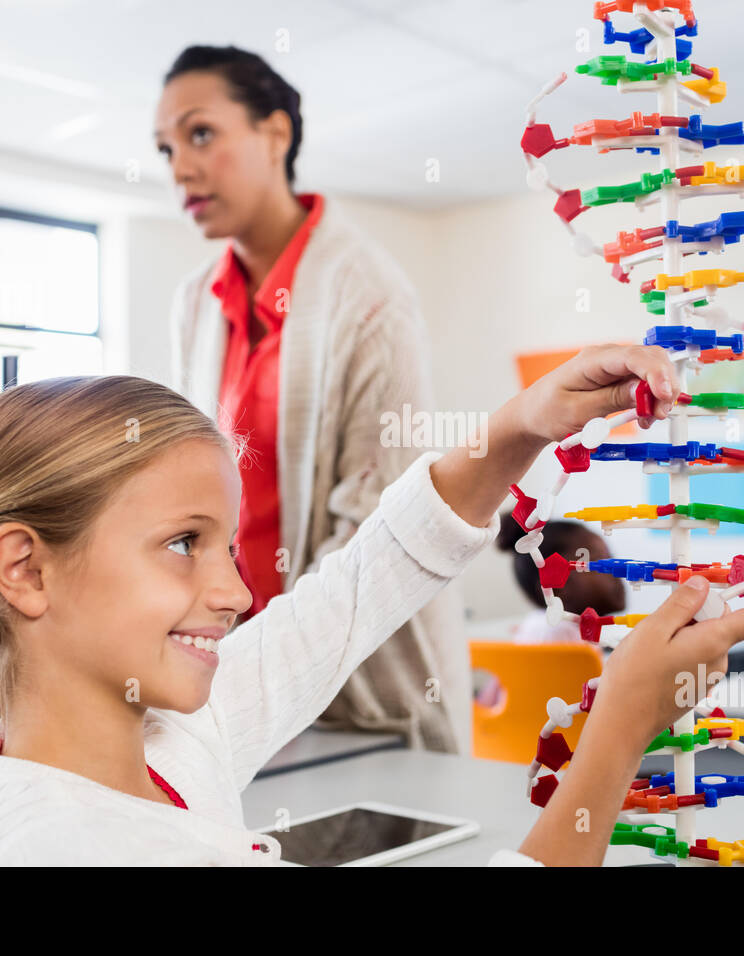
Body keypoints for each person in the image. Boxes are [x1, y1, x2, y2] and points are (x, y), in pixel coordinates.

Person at [0, 345, 744, 866]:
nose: (237, 593)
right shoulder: (80, 850)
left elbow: (351, 594)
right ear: (24, 568)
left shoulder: (157, 740)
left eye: (229, 547)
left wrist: (518, 428)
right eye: (183, 543)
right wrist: (622, 725)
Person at [158, 45, 472, 753]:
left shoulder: (369, 294)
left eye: (200, 133)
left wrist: (257, 659)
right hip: (236, 674)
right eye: (166, 147)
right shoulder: (194, 304)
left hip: (364, 692)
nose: (179, 167)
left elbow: (379, 523)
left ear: (276, 134)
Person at [476, 520, 625, 708]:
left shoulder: (548, 626)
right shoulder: (557, 632)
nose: (617, 569)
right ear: (557, 585)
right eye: (598, 561)